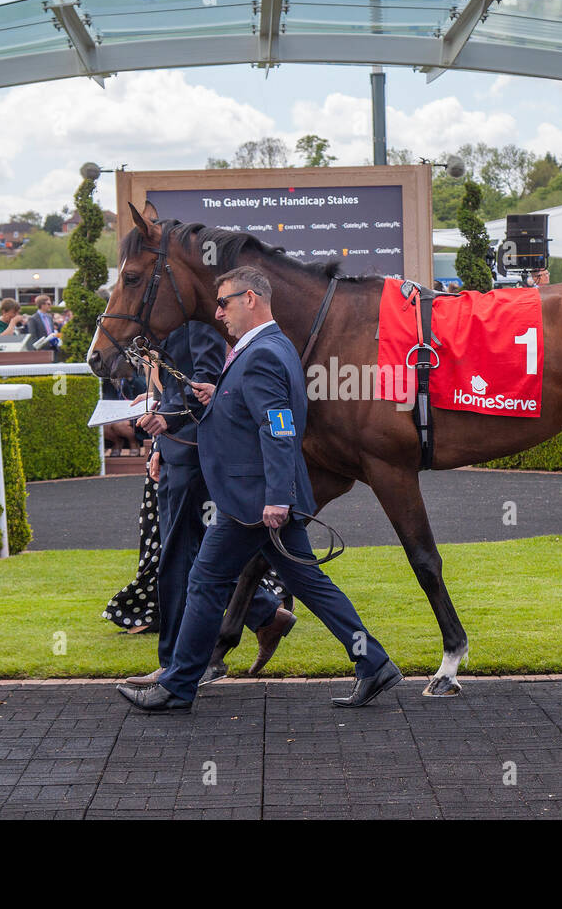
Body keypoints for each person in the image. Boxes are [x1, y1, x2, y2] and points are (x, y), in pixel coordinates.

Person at [116, 267, 401, 713]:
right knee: (308, 581)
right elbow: (251, 412)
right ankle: (374, 662)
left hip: (253, 503)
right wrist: (213, 398)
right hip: (259, 498)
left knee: (206, 581)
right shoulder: (265, 347)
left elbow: (279, 428)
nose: (218, 312)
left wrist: (276, 497)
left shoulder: (262, 352)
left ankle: (177, 685)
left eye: (224, 302)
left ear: (250, 298)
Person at [119, 320, 292, 680]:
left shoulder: (198, 327)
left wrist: (165, 421)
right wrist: (159, 446)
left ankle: (176, 666)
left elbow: (207, 389)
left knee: (179, 558)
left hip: (196, 454)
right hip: (178, 451)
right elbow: (175, 392)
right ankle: (262, 614)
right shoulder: (170, 330)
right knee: (196, 556)